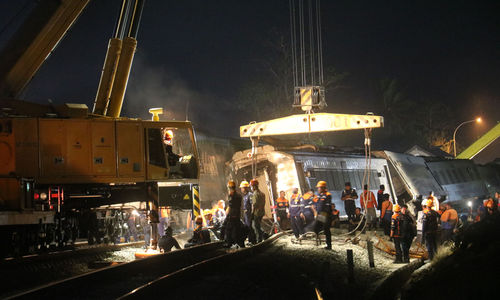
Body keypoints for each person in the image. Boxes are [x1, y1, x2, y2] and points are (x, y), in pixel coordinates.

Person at [224, 180, 245, 248]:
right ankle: (240, 243)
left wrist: (226, 213)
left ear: (229, 187)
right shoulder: (239, 195)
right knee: (237, 229)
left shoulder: (231, 195)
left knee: (228, 229)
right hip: (237, 214)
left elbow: (230, 205)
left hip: (232, 214)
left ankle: (229, 243)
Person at [314, 181, 332, 250]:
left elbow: (327, 207)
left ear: (323, 188)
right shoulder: (319, 195)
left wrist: (324, 216)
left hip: (325, 215)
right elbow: (317, 204)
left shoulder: (328, 195)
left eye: (319, 188)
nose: (318, 189)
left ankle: (329, 246)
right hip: (320, 215)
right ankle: (319, 239)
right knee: (316, 228)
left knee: (327, 230)